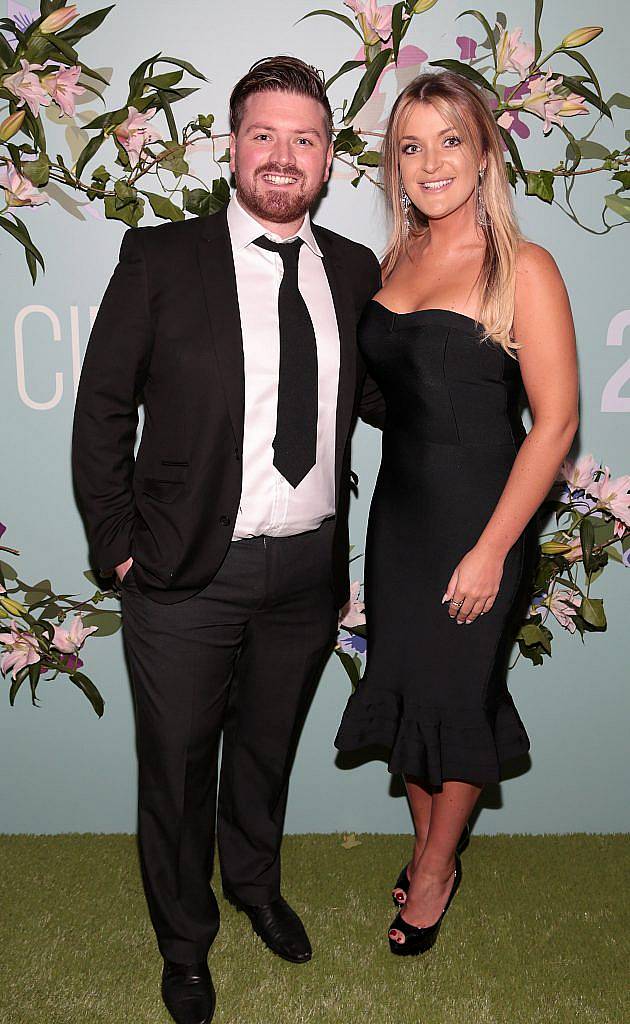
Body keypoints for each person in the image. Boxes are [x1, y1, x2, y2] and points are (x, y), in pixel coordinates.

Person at [72, 56, 383, 1024]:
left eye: (304, 139)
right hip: (181, 572)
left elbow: (377, 397)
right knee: (175, 766)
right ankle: (183, 939)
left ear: (328, 160)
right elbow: (102, 409)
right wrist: (118, 544)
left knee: (264, 751)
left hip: (306, 567)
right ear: (232, 147)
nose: (283, 156)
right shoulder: (161, 258)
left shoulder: (356, 269)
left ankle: (254, 884)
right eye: (264, 134)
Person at [335, 70, 579, 957]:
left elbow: (554, 426)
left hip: (486, 520)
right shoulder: (396, 261)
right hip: (399, 518)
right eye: (411, 145)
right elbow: (393, 391)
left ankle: (436, 870)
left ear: (484, 153)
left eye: (449, 141)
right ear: (393, 165)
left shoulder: (524, 266)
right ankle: (428, 844)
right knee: (407, 694)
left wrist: (490, 551)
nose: (430, 161)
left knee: (460, 697)